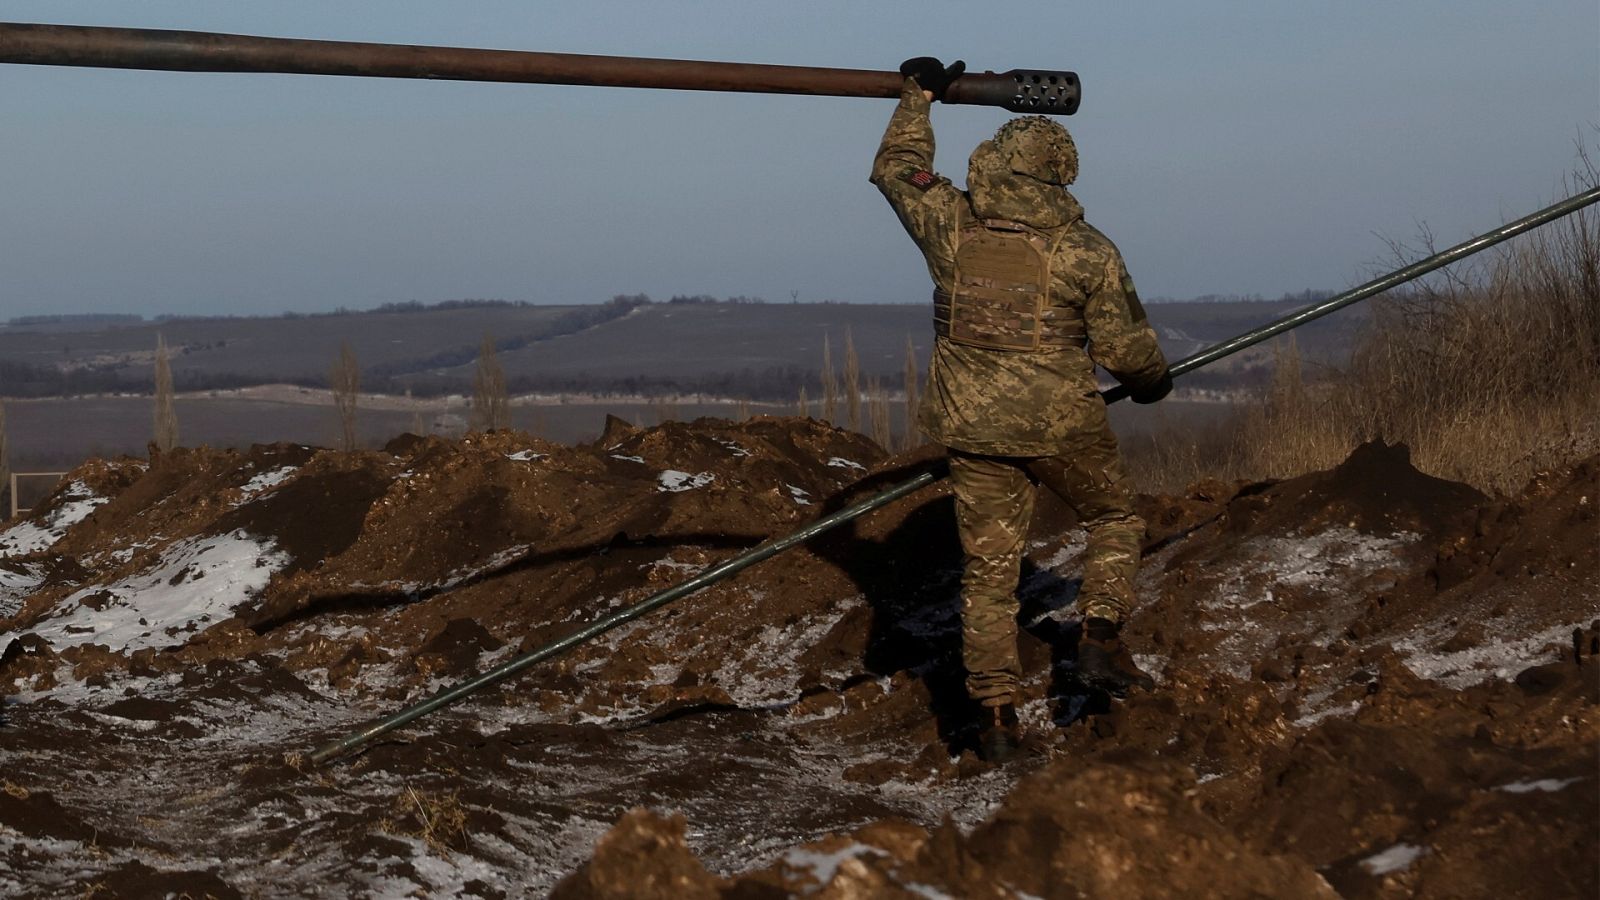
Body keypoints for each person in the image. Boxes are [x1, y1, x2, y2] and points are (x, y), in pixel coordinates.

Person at [871, 58, 1172, 762]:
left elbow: (896, 170)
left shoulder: (952, 225)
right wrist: (1153, 385)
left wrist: (919, 98)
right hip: (1062, 426)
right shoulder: (1088, 251)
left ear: (993, 162)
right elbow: (1128, 353)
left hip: (975, 429)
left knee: (989, 575)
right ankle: (1098, 638)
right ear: (1060, 172)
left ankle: (997, 720)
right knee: (1114, 518)